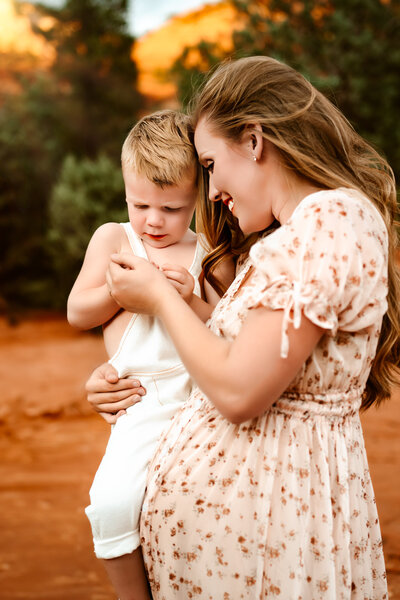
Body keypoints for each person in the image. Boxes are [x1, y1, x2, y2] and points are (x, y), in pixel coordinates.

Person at [86, 56, 400, 599]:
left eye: (209, 164)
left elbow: (238, 392)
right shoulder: (290, 237)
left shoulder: (328, 220)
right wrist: (122, 380)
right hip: (242, 548)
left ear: (253, 142)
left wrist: (162, 298)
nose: (210, 192)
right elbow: (225, 363)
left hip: (273, 543)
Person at [67, 109, 235, 600]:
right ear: (125, 191)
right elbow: (79, 311)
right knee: (112, 502)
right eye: (141, 205)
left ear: (197, 200)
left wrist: (190, 299)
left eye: (173, 209)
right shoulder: (115, 239)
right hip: (139, 399)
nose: (154, 221)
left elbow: (228, 328)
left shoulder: (208, 252)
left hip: (197, 394)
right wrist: (122, 291)